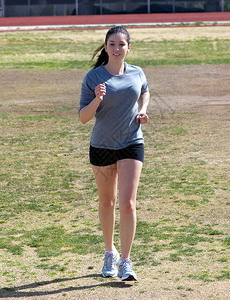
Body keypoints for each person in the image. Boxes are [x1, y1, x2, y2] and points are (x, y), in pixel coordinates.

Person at [79, 26, 150, 281]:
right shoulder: (93, 77)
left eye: (122, 44)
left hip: (132, 142)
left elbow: (144, 90)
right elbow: (83, 118)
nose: (117, 48)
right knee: (107, 202)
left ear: (129, 47)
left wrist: (142, 110)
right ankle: (109, 253)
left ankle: (126, 262)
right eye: (112, 44)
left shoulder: (137, 72)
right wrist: (97, 99)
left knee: (128, 204)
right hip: (102, 146)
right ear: (105, 47)